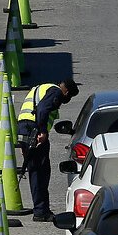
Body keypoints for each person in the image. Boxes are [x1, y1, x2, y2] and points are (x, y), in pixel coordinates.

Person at [17, 78, 79, 222]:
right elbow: (42, 110)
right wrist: (43, 132)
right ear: (67, 91)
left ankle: (41, 209)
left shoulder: (42, 88)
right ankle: (41, 211)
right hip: (34, 130)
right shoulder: (56, 92)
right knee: (41, 172)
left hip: (24, 128)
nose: (66, 100)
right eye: (68, 97)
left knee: (34, 170)